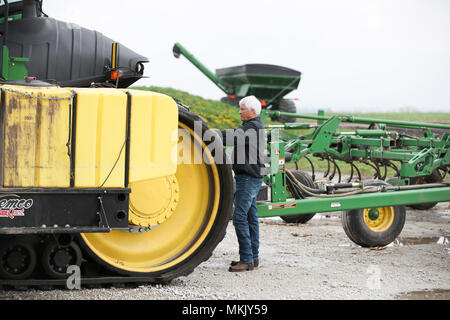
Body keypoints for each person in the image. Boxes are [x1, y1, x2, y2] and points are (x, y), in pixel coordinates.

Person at [220, 95, 267, 272]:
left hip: (247, 179)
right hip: (251, 177)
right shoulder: (253, 126)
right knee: (250, 218)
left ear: (252, 111)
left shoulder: (252, 128)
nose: (239, 112)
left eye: (242, 109)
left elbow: (230, 137)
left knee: (239, 218)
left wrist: (207, 133)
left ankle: (246, 259)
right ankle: (252, 258)